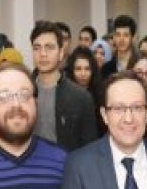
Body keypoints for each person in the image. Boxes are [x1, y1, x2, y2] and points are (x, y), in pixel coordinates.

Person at [30, 22, 98, 150]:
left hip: (66, 167)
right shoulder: (23, 93)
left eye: (49, 47)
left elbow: (89, 149)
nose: (42, 53)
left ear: (61, 53)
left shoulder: (81, 98)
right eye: (37, 47)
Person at [65, 45, 104, 132]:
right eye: (78, 69)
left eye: (87, 69)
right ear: (72, 71)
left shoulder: (100, 95)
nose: (83, 74)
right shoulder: (65, 95)